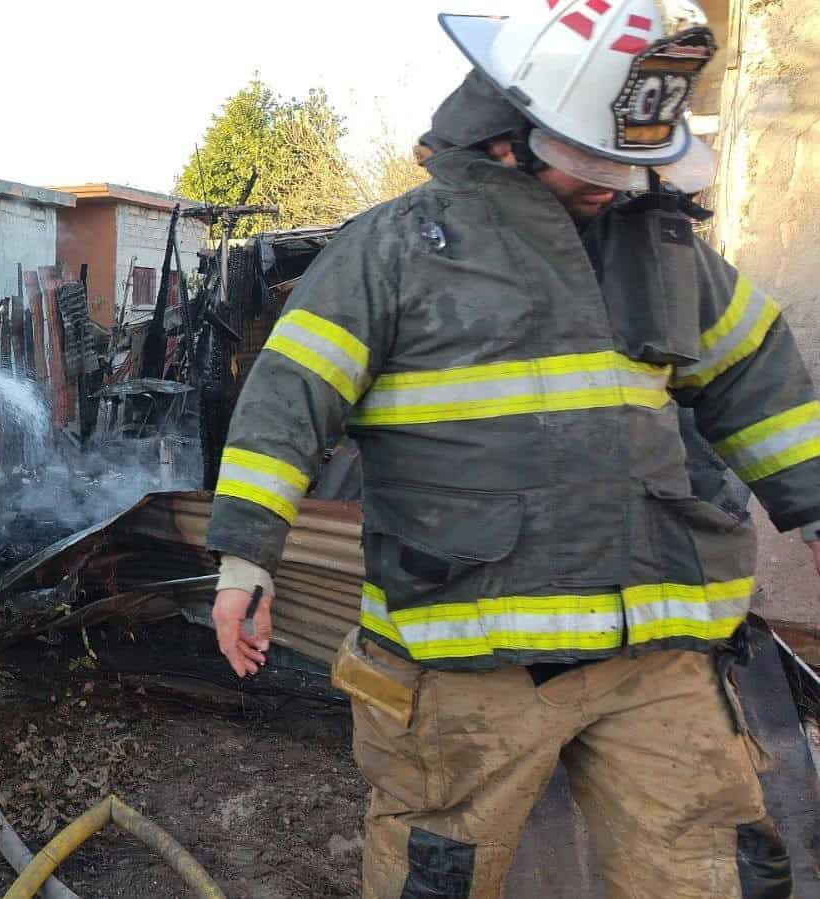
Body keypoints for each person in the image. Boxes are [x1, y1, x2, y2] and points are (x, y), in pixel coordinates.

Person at [206, 2, 813, 895]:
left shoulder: (664, 250)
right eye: (592, 163)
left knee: (707, 869)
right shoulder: (395, 247)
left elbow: (759, 382)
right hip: (465, 662)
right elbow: (287, 399)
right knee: (436, 875)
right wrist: (242, 557)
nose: (612, 185)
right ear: (508, 132)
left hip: (658, 648)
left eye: (626, 163)